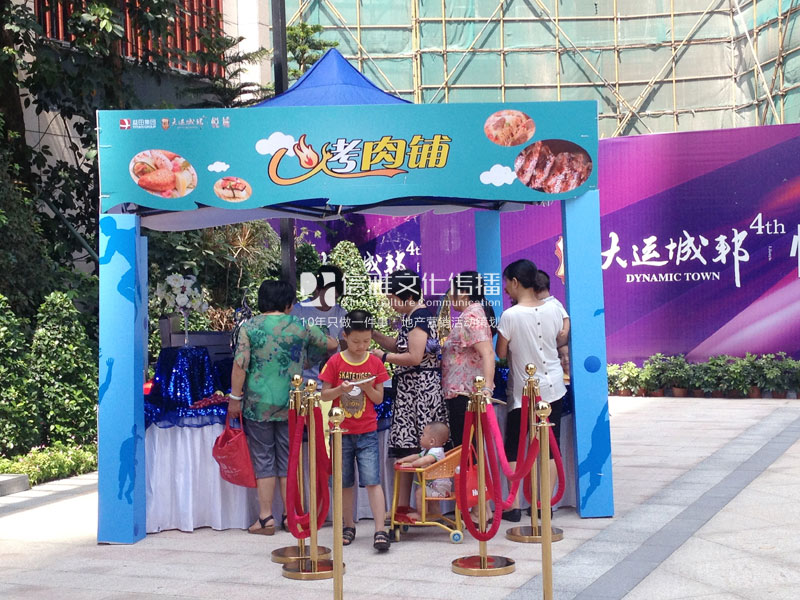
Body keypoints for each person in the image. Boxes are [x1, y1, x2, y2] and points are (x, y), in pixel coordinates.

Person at [227, 279, 327, 535]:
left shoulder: (250, 327)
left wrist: (235, 398)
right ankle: (290, 515)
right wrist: (305, 360)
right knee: (289, 458)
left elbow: (240, 364)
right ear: (288, 303)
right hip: (292, 403)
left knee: (263, 458)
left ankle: (265, 518)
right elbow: (330, 344)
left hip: (258, 403)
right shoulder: (301, 325)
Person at [370, 269, 449, 509]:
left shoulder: (419, 317)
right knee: (407, 448)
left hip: (420, 391)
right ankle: (403, 507)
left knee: (421, 447)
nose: (391, 304)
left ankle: (423, 507)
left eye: (392, 298)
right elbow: (399, 346)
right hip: (412, 390)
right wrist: (373, 334)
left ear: (407, 296)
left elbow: (414, 356)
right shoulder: (413, 317)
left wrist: (383, 357)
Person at [495, 259, 567, 522]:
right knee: (550, 445)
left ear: (515, 282)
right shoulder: (554, 309)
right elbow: (562, 333)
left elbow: (501, 353)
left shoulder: (510, 315)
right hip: (554, 386)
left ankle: (513, 506)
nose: (505, 288)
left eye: (507, 283)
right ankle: (544, 505)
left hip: (523, 391)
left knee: (515, 445)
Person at [320, 309, 392, 552]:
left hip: (367, 431)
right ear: (345, 336)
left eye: (366, 341)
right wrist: (340, 390)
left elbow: (379, 398)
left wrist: (368, 388)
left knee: (373, 481)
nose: (361, 346)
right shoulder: (335, 362)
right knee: (343, 482)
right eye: (356, 341)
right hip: (340, 432)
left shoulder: (374, 362)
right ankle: (348, 525)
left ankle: (380, 529)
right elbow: (324, 394)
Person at [440, 271, 496, 523]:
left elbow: (487, 353)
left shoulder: (472, 316)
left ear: (463, 292)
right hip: (461, 393)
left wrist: (487, 388)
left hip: (466, 394)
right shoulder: (470, 315)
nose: (450, 296)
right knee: (470, 451)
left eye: (453, 291)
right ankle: (479, 506)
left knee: (468, 452)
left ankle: (478, 507)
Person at [394, 422, 451, 521]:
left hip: (439, 487)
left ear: (432, 441)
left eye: (423, 435)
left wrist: (412, 465)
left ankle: (421, 514)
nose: (420, 437)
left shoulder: (436, 452)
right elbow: (417, 456)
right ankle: (436, 515)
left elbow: (425, 460)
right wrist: (403, 460)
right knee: (426, 493)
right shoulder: (428, 450)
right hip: (435, 486)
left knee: (420, 492)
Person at [534, 269, 570, 372]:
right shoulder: (535, 305)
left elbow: (566, 318)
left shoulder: (554, 303)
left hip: (557, 339)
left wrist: (565, 330)